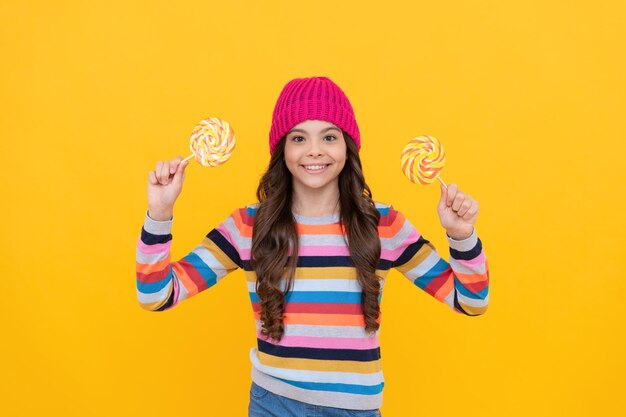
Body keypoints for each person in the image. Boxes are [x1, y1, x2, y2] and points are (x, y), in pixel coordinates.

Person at [136, 76, 489, 417]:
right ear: (282, 150)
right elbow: (156, 294)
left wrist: (461, 236)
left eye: (329, 137)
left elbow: (471, 301)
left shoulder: (383, 225)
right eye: (299, 138)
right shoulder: (247, 227)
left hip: (357, 411)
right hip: (274, 404)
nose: (315, 151)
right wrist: (160, 211)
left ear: (347, 147)